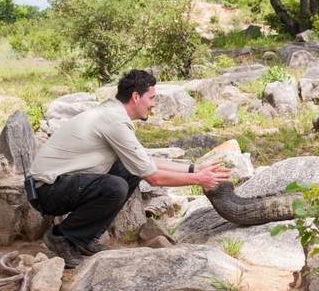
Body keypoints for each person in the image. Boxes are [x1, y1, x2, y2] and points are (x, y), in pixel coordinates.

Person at [30, 69, 231, 268]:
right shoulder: (114, 121)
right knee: (115, 186)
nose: (153, 104)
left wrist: (194, 169)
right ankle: (61, 237)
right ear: (136, 96)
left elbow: (145, 161)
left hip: (60, 184)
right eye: (151, 98)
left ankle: (84, 237)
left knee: (130, 170)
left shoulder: (113, 114)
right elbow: (155, 178)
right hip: (48, 189)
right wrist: (200, 179)